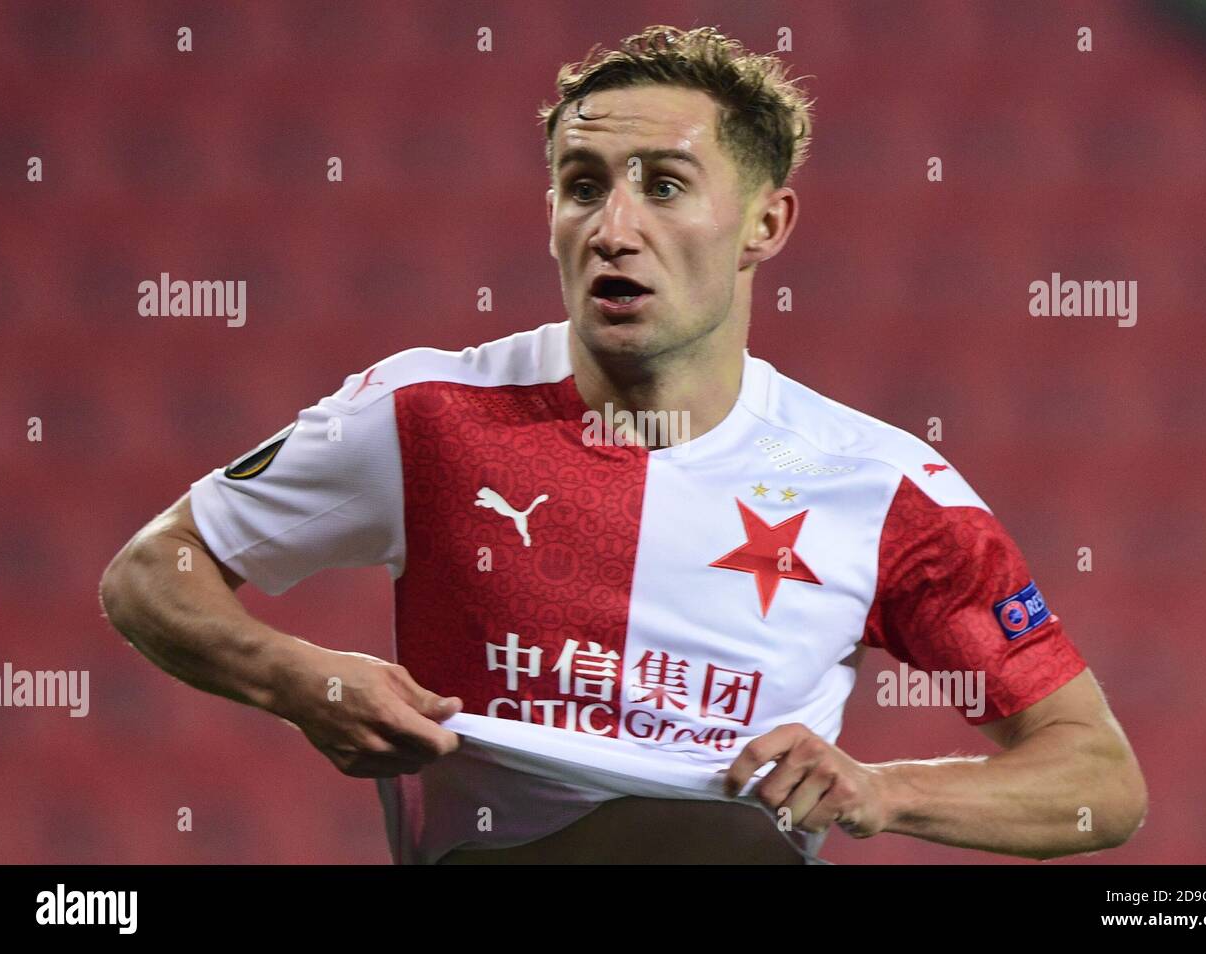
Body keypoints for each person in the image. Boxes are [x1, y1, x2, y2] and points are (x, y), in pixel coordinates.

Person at [99, 25, 1147, 865]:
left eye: (662, 185)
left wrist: (880, 789)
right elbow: (153, 574)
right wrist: (302, 679)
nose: (611, 226)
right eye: (583, 182)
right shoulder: (427, 413)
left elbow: (1094, 780)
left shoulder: (882, 492)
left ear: (764, 225)